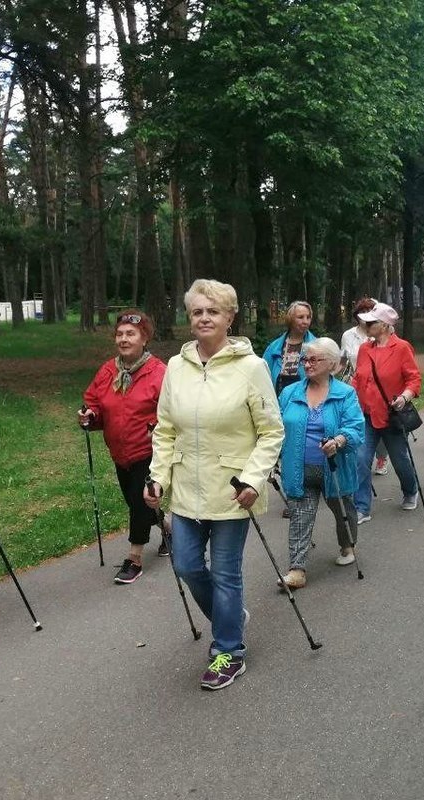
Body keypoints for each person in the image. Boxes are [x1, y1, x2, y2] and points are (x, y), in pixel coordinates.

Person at [145, 279, 284, 691]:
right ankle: (231, 617)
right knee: (186, 565)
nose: (204, 318)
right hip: (187, 489)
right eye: (197, 312)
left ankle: (229, 650)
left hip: (231, 489)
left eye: (213, 311)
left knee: (226, 575)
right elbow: (166, 428)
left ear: (229, 317)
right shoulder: (176, 366)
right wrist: (158, 476)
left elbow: (271, 432)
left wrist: (255, 480)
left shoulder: (251, 367)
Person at [79, 310, 168, 585]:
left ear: (144, 338)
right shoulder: (109, 370)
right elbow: (93, 400)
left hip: (148, 449)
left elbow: (172, 410)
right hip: (120, 452)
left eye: (130, 334)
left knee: (139, 503)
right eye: (120, 334)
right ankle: (168, 529)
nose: (124, 339)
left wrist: (157, 426)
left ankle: (134, 557)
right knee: (135, 501)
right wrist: (88, 415)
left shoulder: (159, 372)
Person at [276, 337, 364, 589]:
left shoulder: (345, 394)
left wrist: (338, 440)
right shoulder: (290, 393)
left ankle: (347, 545)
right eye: (305, 359)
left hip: (334, 467)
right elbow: (277, 427)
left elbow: (356, 428)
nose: (307, 364)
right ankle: (297, 569)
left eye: (314, 359)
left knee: (342, 511)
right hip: (298, 468)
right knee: (300, 518)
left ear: (333, 364)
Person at [351, 301, 422, 523]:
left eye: (372, 321)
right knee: (361, 460)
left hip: (391, 416)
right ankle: (361, 507)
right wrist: (347, 396)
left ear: (384, 325)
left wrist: (404, 397)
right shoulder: (364, 349)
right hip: (366, 414)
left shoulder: (401, 348)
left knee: (400, 460)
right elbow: (358, 378)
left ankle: (410, 490)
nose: (367, 324)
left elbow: (414, 378)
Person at [339, 297, 389, 475]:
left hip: (379, 388)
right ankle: (360, 460)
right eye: (363, 313)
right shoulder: (348, 335)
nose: (365, 317)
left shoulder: (381, 334)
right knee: (357, 424)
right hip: (355, 386)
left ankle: (382, 456)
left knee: (380, 423)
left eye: (370, 313)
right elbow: (343, 361)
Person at [263, 300, 316, 395]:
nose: (305, 321)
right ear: (290, 319)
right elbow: (263, 377)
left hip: (306, 400)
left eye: (308, 317)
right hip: (279, 400)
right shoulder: (274, 348)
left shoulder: (317, 346)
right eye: (300, 317)